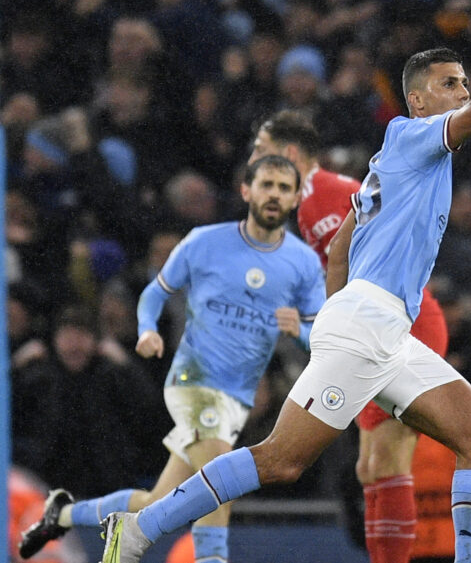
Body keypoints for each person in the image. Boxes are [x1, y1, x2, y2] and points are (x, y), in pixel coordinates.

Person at [98, 11, 471, 563]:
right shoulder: (411, 138)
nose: (463, 92)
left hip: (382, 329)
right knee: (282, 460)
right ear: (418, 102)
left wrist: (333, 315)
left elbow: (340, 247)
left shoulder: (399, 163)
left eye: (464, 81)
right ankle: (140, 528)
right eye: (449, 83)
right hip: (367, 325)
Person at [18, 155, 325, 563]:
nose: (274, 195)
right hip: (194, 381)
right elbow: (156, 291)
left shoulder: (302, 262)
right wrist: (146, 328)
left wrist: (296, 329)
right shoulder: (205, 241)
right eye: (266, 184)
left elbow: (319, 335)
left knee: (159, 498)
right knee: (220, 481)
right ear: (246, 191)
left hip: (237, 398)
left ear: (294, 199)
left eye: (284, 188)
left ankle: (63, 512)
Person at [248, 109, 453, 563]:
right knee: (367, 468)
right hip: (371, 332)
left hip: (399, 327)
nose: (254, 161)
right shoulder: (309, 206)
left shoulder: (324, 194)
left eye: (261, 151)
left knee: (388, 461)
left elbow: (385, 250)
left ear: (289, 154)